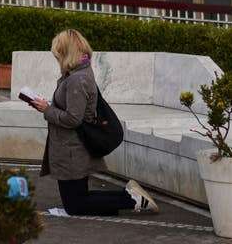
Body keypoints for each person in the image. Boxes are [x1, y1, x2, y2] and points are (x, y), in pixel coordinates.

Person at [28, 29, 159, 216]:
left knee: (75, 205)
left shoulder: (77, 79)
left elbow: (73, 118)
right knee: (77, 200)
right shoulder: (78, 72)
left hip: (72, 149)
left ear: (66, 53)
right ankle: (130, 197)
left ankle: (132, 200)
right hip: (70, 148)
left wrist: (46, 109)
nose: (57, 59)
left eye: (58, 54)